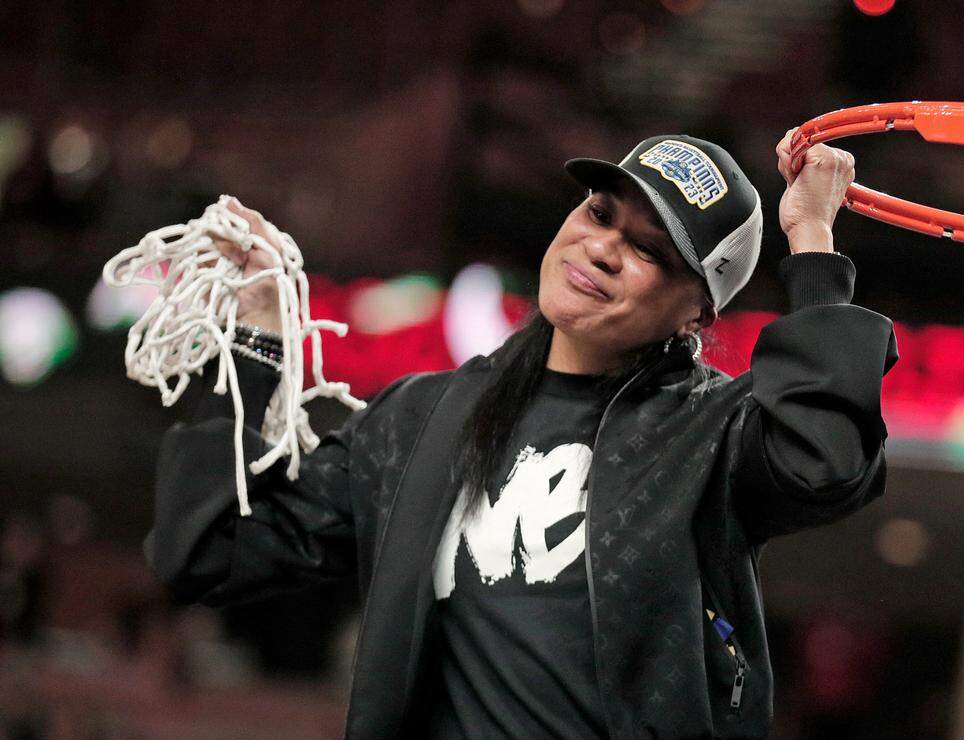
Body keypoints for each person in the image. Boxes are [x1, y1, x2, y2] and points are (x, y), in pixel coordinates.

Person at [145, 130, 898, 738]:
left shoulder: (710, 432)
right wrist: (258, 348)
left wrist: (813, 242)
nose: (603, 248)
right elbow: (213, 553)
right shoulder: (422, 419)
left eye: (650, 252)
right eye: (601, 214)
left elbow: (823, 461)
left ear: (695, 314)